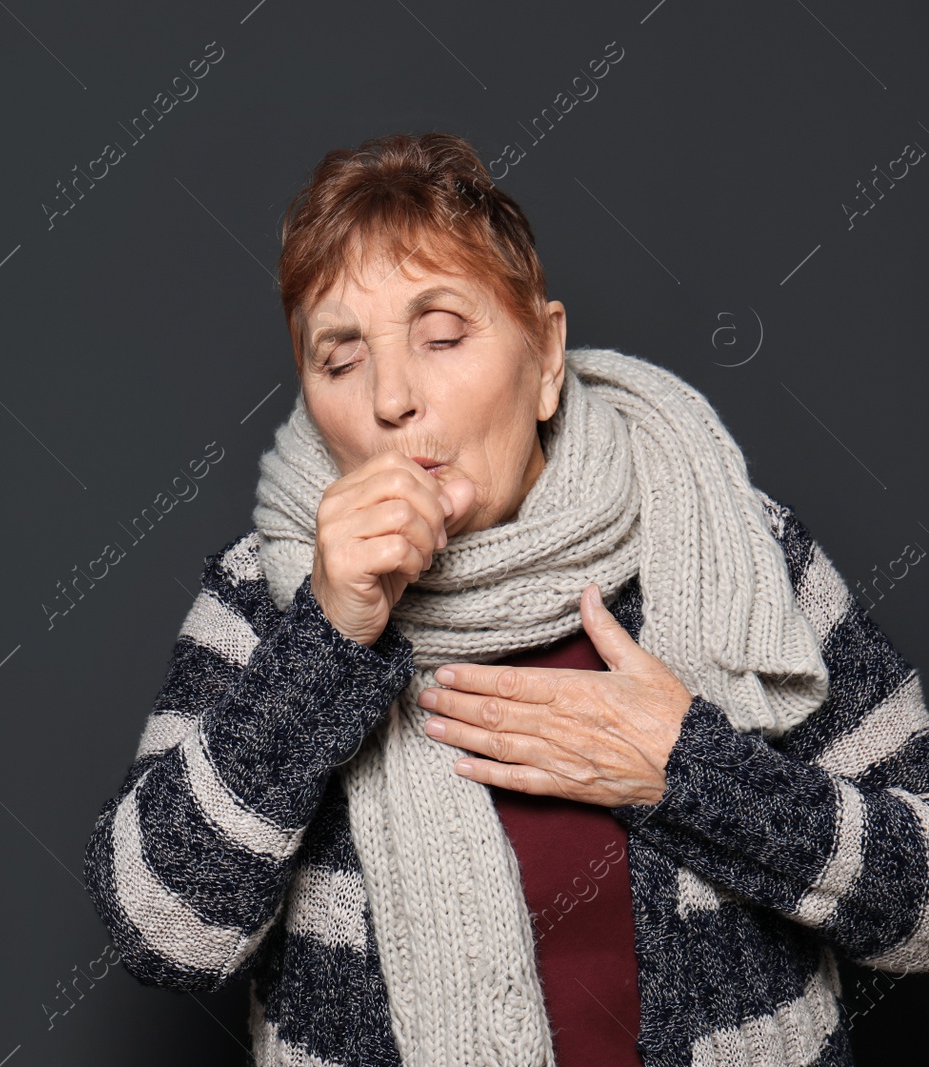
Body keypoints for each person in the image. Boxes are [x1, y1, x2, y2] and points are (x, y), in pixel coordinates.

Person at [81, 131, 929, 1067]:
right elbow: (159, 932)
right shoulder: (270, 598)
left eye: (441, 335)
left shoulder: (731, 537)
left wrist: (694, 773)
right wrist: (327, 638)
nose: (394, 397)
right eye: (340, 358)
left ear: (547, 354)